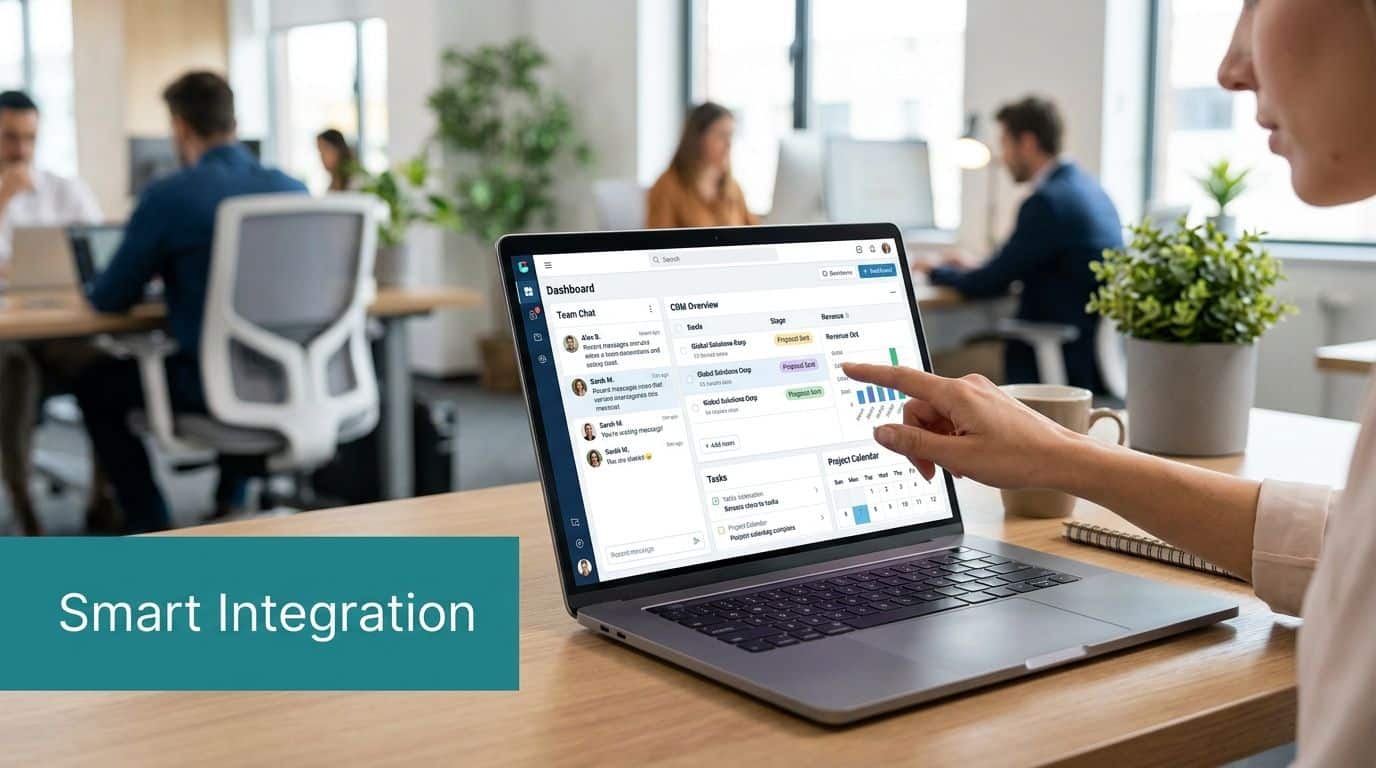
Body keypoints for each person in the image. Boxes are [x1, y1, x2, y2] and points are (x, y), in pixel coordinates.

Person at [846, 1, 1376, 759]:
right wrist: (1065, 457)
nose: (1230, 65)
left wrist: (958, 271)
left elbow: (997, 274)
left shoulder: (1050, 201)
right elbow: (1346, 547)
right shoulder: (1085, 190)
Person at [74, 72, 307, 533]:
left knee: (94, 383)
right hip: (291, 377)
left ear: (180, 127)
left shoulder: (169, 195)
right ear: (233, 120)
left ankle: (150, 522)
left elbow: (111, 298)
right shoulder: (292, 188)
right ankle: (232, 500)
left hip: (211, 385)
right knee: (234, 355)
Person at [918, 96, 1122, 394]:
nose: (1002, 157)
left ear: (1026, 142)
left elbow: (990, 283)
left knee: (927, 368)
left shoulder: (1047, 203)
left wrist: (935, 271)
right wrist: (979, 268)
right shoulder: (1090, 191)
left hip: (1045, 361)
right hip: (1085, 358)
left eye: (1004, 143)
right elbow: (1021, 266)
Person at [0, 90, 106, 535]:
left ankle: (104, 495)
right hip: (8, 341)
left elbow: (101, 257)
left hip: (61, 328)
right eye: (9, 137)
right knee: (14, 369)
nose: (21, 149)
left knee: (107, 368)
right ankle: (25, 508)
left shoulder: (66, 191)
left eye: (29, 137)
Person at [646, 102, 759, 229]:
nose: (729, 144)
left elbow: (755, 234)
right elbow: (659, 242)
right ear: (698, 138)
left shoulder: (733, 188)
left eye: (731, 136)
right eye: (722, 135)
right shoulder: (667, 187)